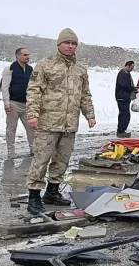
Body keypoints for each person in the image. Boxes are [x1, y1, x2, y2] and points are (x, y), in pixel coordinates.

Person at [25, 28, 96, 214]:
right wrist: (32, 114)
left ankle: (52, 192)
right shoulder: (45, 65)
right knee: (41, 159)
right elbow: (34, 91)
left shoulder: (80, 69)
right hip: (48, 121)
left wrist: (89, 114)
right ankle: (33, 196)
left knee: (62, 160)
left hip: (69, 123)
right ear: (59, 44)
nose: (70, 46)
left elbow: (85, 94)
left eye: (74, 43)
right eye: (67, 43)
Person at [2, 48, 36, 159]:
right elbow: (5, 87)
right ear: (17, 56)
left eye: (28, 55)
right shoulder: (10, 69)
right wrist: (7, 103)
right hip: (13, 103)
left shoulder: (30, 69)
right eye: (25, 55)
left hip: (27, 103)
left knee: (31, 127)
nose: (27, 57)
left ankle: (33, 149)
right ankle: (11, 152)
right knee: (11, 128)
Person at [115, 61, 136, 137]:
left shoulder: (127, 74)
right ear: (127, 66)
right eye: (131, 67)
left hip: (125, 97)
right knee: (125, 114)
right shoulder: (122, 74)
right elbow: (124, 85)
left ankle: (121, 130)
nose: (131, 69)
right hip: (122, 97)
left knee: (123, 114)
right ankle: (121, 130)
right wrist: (132, 88)